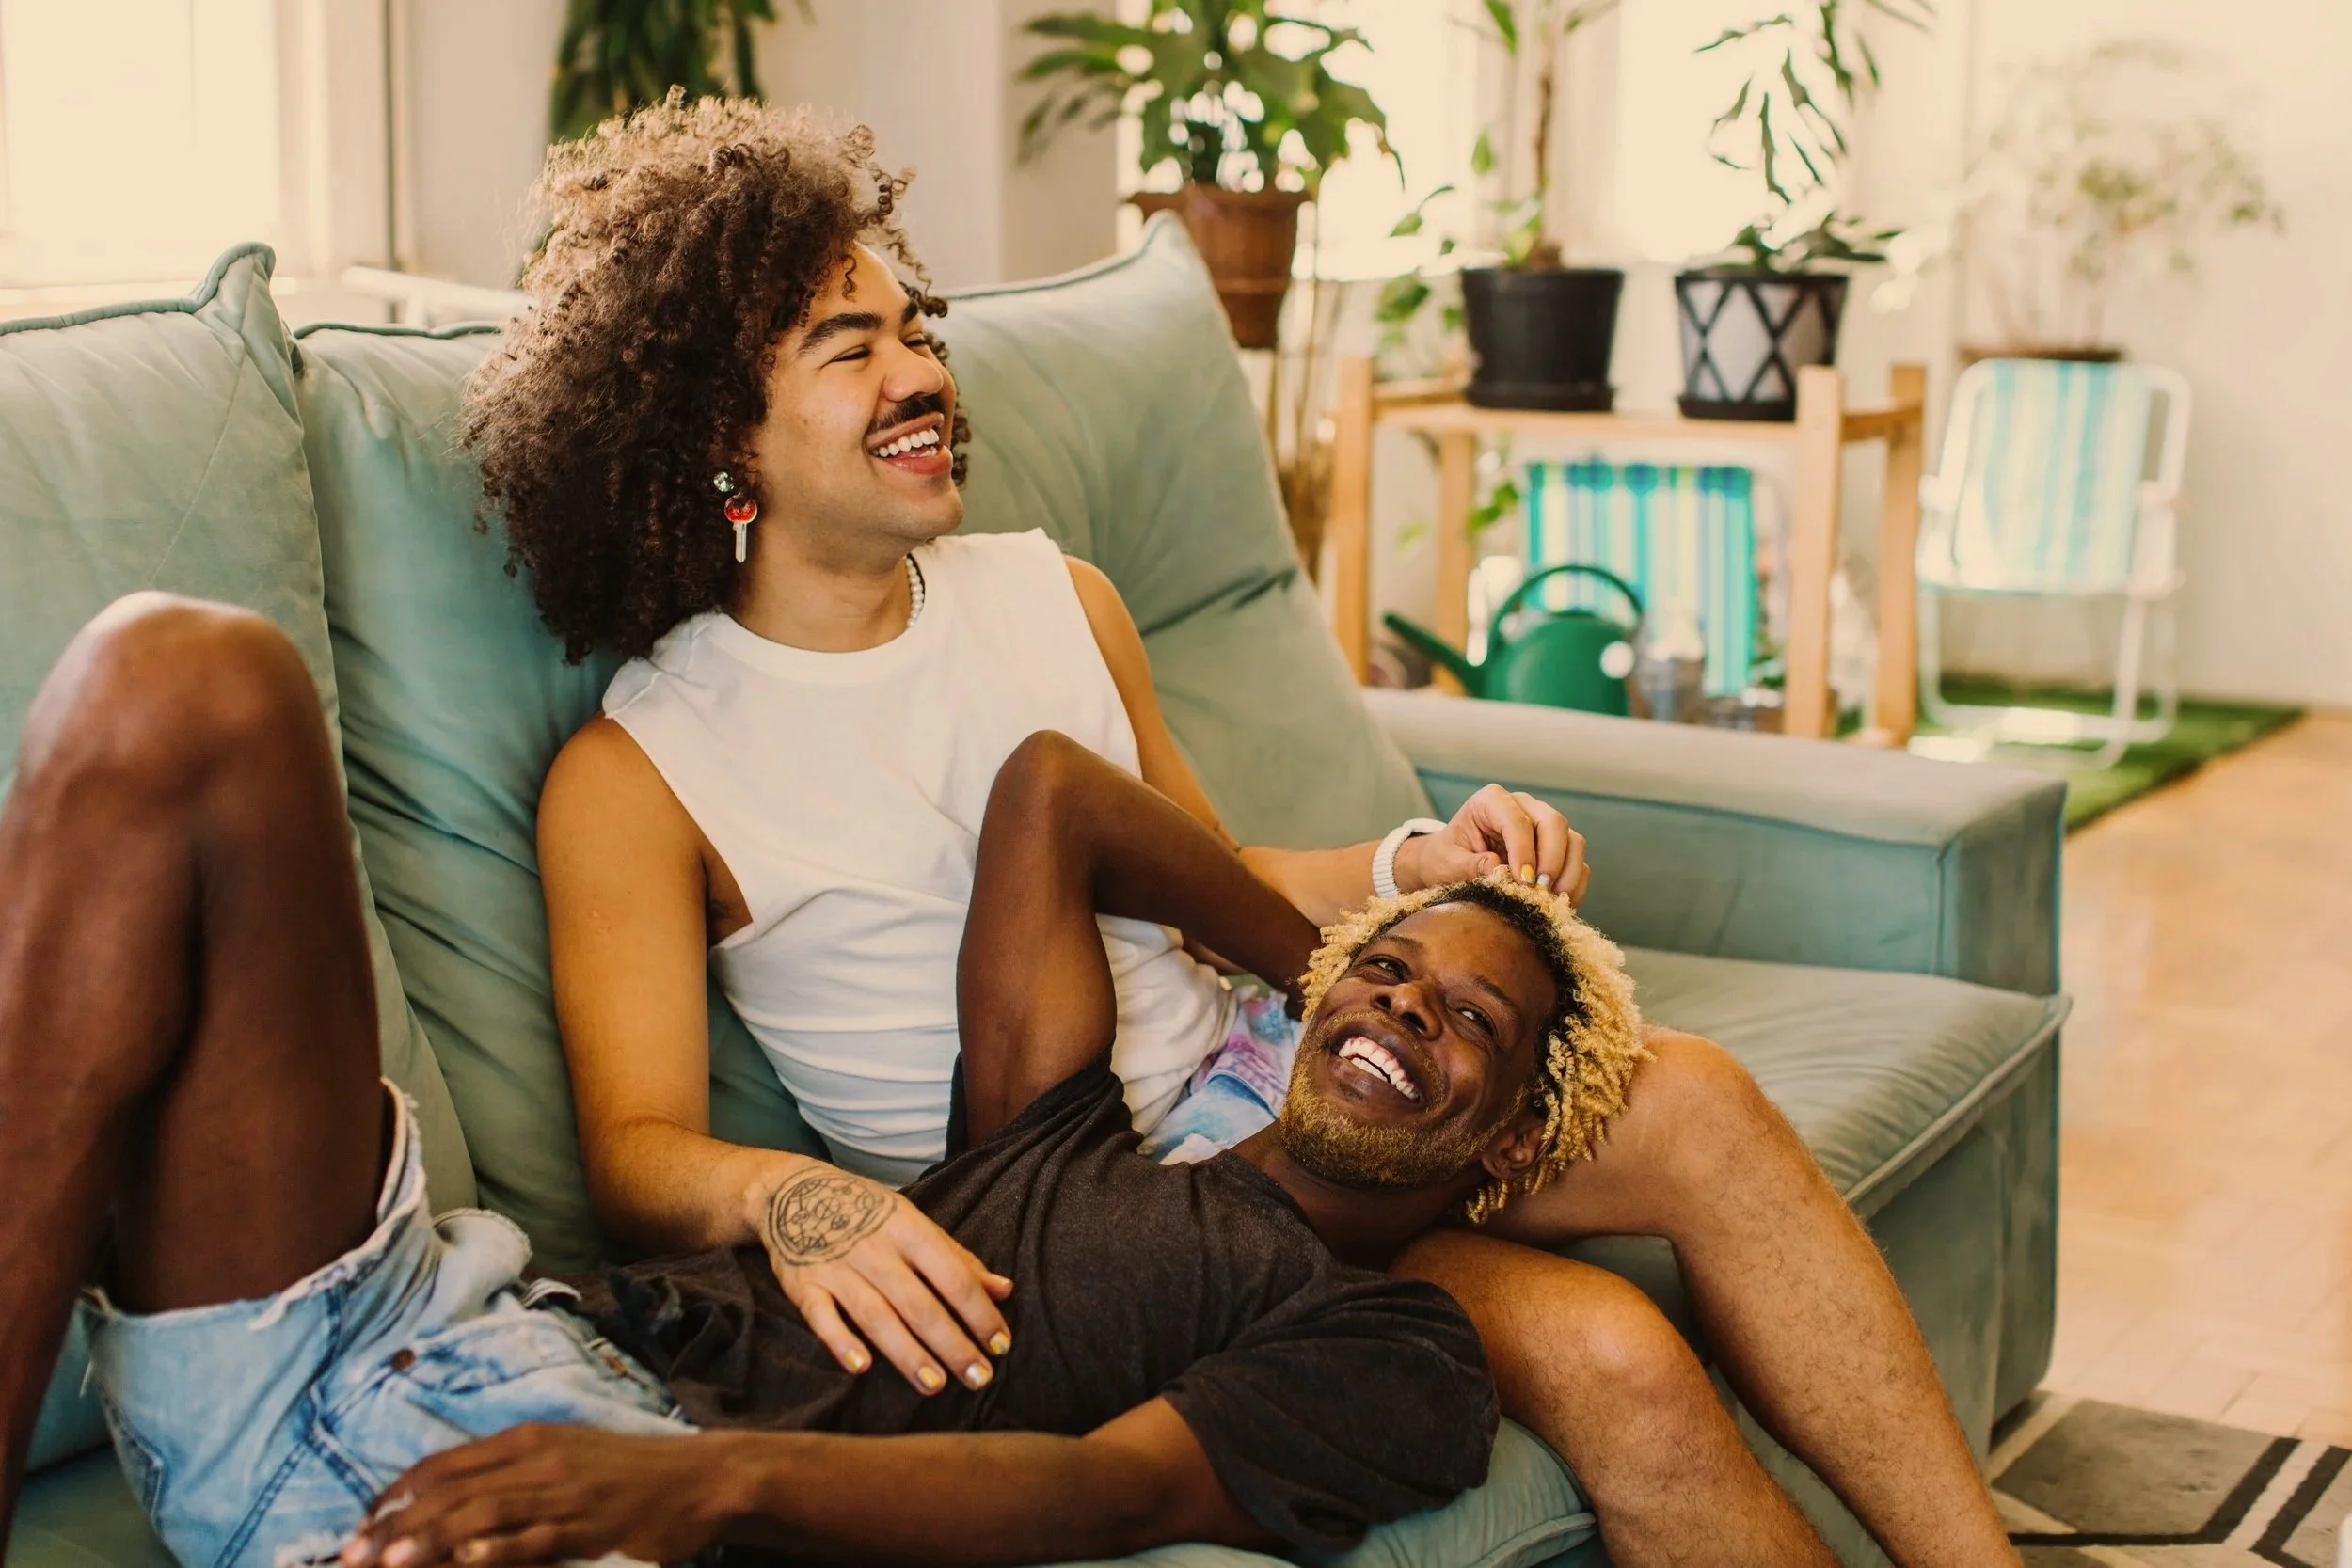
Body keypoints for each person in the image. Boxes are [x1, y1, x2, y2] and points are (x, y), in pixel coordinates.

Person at [466, 98, 2017, 1564]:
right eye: (849, 348)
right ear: (719, 435)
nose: (924, 375)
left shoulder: (1050, 595)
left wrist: (1422, 866)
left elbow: (1218, 885)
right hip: (1085, 1202)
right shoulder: (645, 766)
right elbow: (636, 1149)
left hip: (1277, 1081)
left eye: (920, 331)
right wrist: (798, 1198)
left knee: (1701, 1103)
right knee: (1619, 1355)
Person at [0, 589, 1681, 1566]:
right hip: (412, 1325)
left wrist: (694, 1479)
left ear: (1519, 1129)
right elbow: (1054, 792)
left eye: (1472, 1019)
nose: (1405, 1006)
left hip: (603, 1504)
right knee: (187, 667)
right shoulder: (1056, 1126)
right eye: (1391, 968)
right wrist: (1339, 944)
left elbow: (1107, 1487)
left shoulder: (1395, 1344)